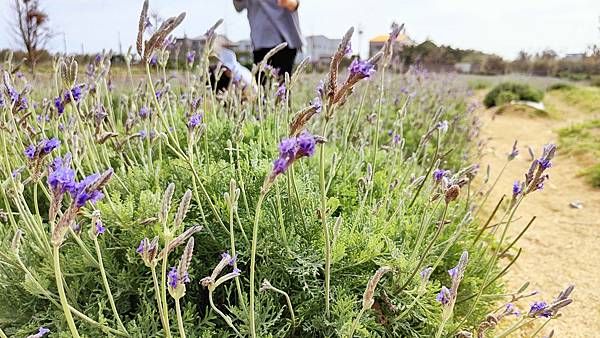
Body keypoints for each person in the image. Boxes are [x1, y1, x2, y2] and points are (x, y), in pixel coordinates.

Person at [233, 0, 304, 77]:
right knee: (262, 84)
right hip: (259, 43)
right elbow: (238, 6)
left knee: (281, 82)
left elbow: (294, 4)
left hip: (283, 41)